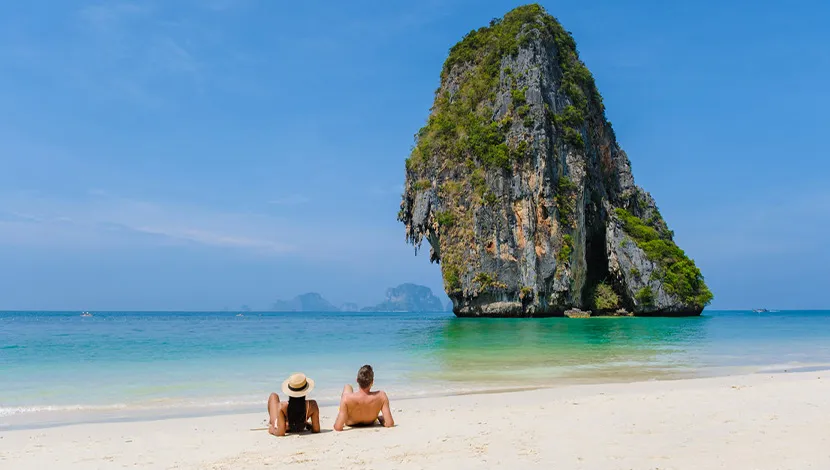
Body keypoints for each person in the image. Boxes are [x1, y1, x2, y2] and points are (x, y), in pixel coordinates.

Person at [333, 364, 394, 431]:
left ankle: (344, 411)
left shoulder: (346, 398)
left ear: (357, 380)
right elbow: (389, 423)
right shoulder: (382, 396)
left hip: (351, 423)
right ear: (372, 382)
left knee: (347, 387)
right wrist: (381, 419)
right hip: (369, 422)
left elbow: (338, 427)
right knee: (348, 389)